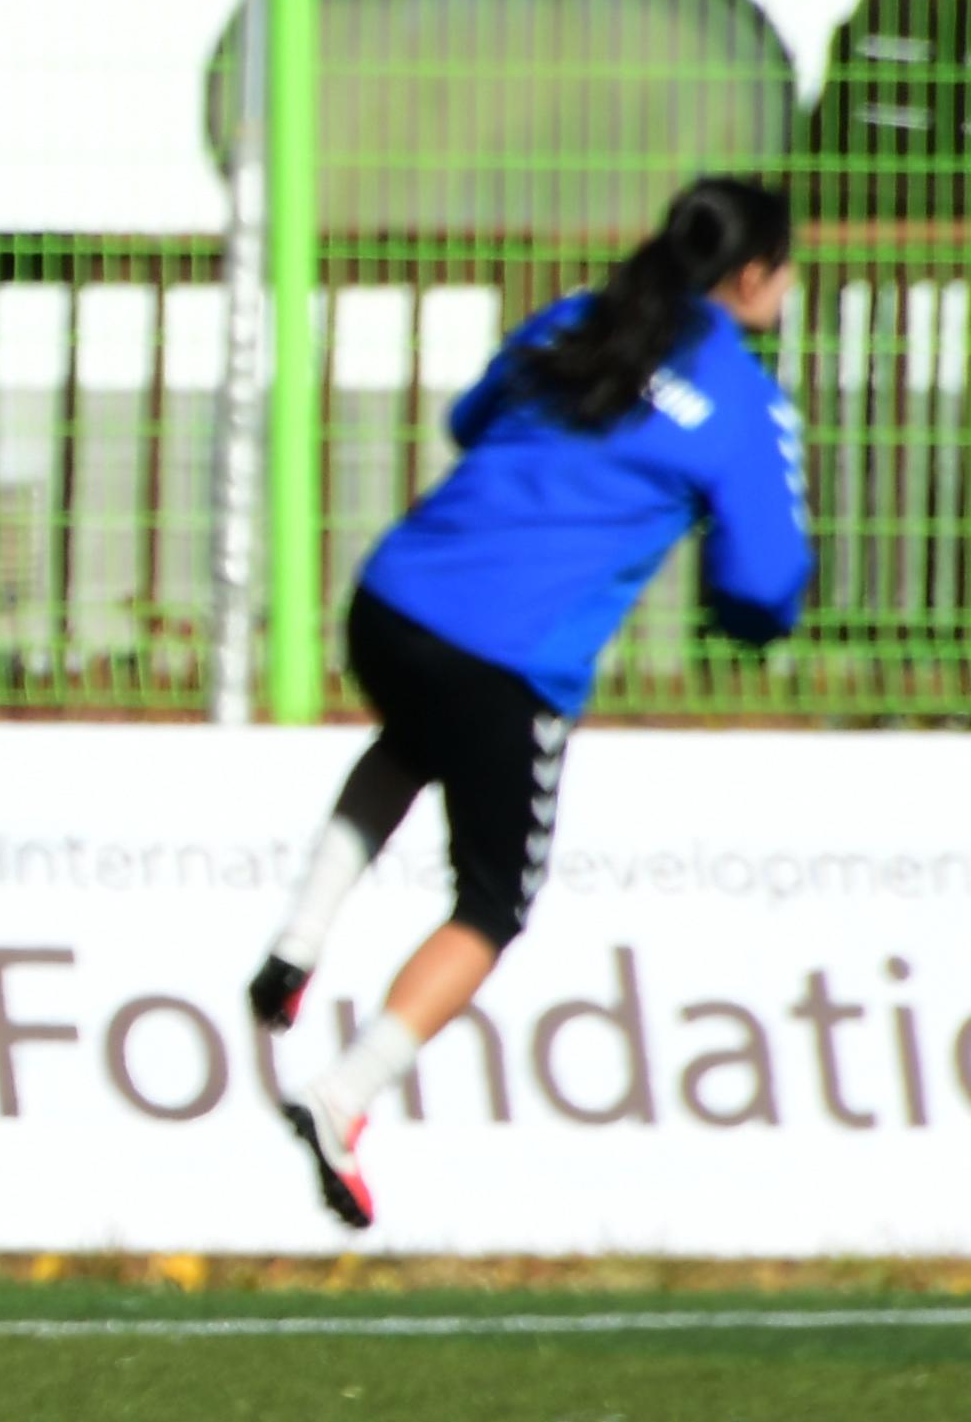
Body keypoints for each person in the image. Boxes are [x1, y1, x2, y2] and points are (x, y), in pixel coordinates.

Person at [245, 174, 809, 1230]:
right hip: (511, 662)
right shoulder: (744, 404)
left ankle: (295, 944)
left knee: (414, 735)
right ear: (750, 276)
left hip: (390, 600)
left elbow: (471, 417)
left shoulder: (580, 316)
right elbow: (764, 587)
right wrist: (744, 621)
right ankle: (342, 1096)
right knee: (493, 903)